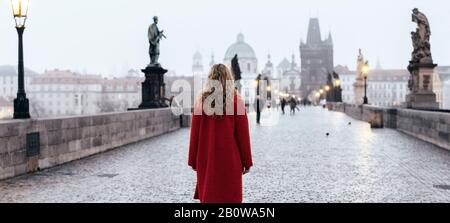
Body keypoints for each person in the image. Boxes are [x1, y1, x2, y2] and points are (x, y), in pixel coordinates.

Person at [188, 64, 253, 203]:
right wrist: (247, 162)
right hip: (230, 160)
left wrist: (193, 161)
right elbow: (243, 137)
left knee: (209, 196)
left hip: (206, 159)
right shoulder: (237, 102)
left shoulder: (201, 103)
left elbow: (194, 135)